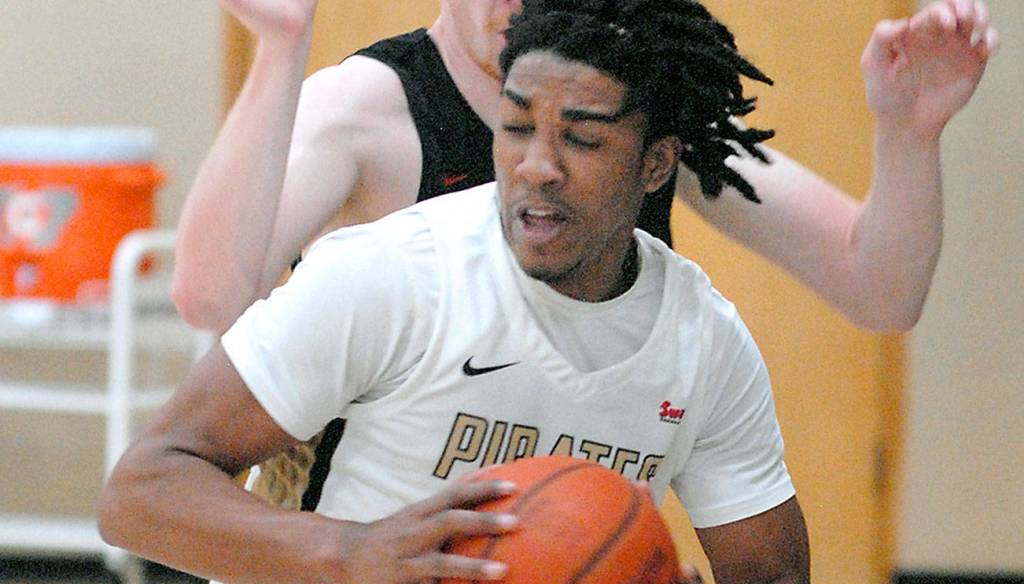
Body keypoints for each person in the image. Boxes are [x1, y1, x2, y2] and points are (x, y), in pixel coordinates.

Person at [99, 1, 820, 584]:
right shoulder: (393, 275)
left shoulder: (704, 341)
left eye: (582, 138)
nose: (537, 165)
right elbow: (142, 491)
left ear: (657, 162)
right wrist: (350, 552)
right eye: (515, 127)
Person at [171, 0, 997, 335]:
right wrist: (279, 49)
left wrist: (908, 135)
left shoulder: (641, 109)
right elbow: (211, 296)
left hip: (565, 545)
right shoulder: (368, 106)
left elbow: (881, 291)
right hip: (373, 565)